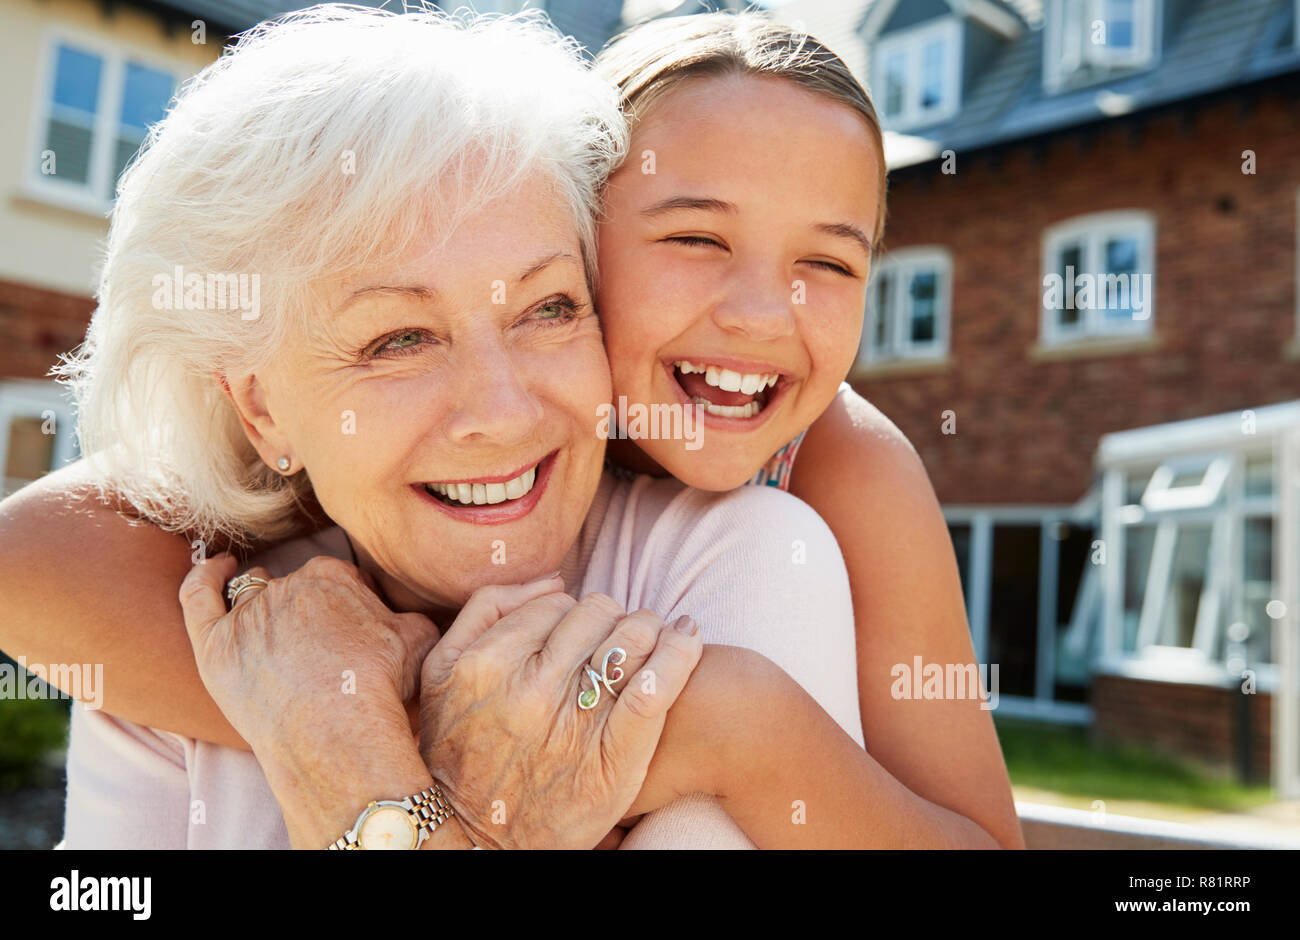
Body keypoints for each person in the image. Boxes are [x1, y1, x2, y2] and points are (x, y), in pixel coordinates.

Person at [0, 6, 1022, 849]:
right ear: (592, 233)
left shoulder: (816, 480)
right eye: (400, 338)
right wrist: (327, 699)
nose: (759, 314)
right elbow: (30, 559)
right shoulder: (256, 564)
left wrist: (731, 719)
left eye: (545, 311)